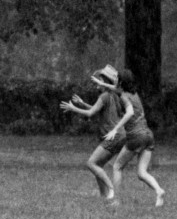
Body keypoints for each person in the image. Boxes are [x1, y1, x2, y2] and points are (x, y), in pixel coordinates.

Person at [60, 64, 135, 206]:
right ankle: (103, 196)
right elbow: (97, 109)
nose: (96, 85)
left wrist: (72, 108)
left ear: (105, 81)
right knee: (98, 165)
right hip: (121, 135)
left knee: (91, 163)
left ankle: (111, 190)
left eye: (98, 81)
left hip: (112, 136)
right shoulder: (114, 95)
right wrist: (82, 103)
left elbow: (90, 114)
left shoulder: (104, 95)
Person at [103, 69, 166, 207]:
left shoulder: (124, 97)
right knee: (141, 173)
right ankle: (159, 190)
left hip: (136, 136)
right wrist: (99, 82)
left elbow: (129, 112)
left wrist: (115, 129)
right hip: (148, 136)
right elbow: (115, 89)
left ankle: (117, 201)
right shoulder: (134, 94)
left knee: (117, 167)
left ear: (121, 82)